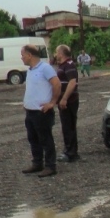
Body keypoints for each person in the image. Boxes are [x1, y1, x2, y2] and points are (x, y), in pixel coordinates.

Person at [21, 45, 61, 178]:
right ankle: (37, 162)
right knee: (33, 139)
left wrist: (52, 102)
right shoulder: (30, 70)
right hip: (30, 112)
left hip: (41, 112)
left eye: (23, 55)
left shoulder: (45, 68)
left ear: (29, 55)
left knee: (45, 139)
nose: (22, 58)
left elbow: (57, 84)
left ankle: (50, 166)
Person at [55, 45, 80, 162]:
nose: (55, 55)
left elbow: (72, 82)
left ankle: (70, 153)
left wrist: (64, 98)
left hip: (69, 101)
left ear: (61, 53)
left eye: (56, 52)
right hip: (65, 101)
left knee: (68, 126)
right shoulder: (64, 65)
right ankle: (70, 151)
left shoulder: (69, 65)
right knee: (68, 126)